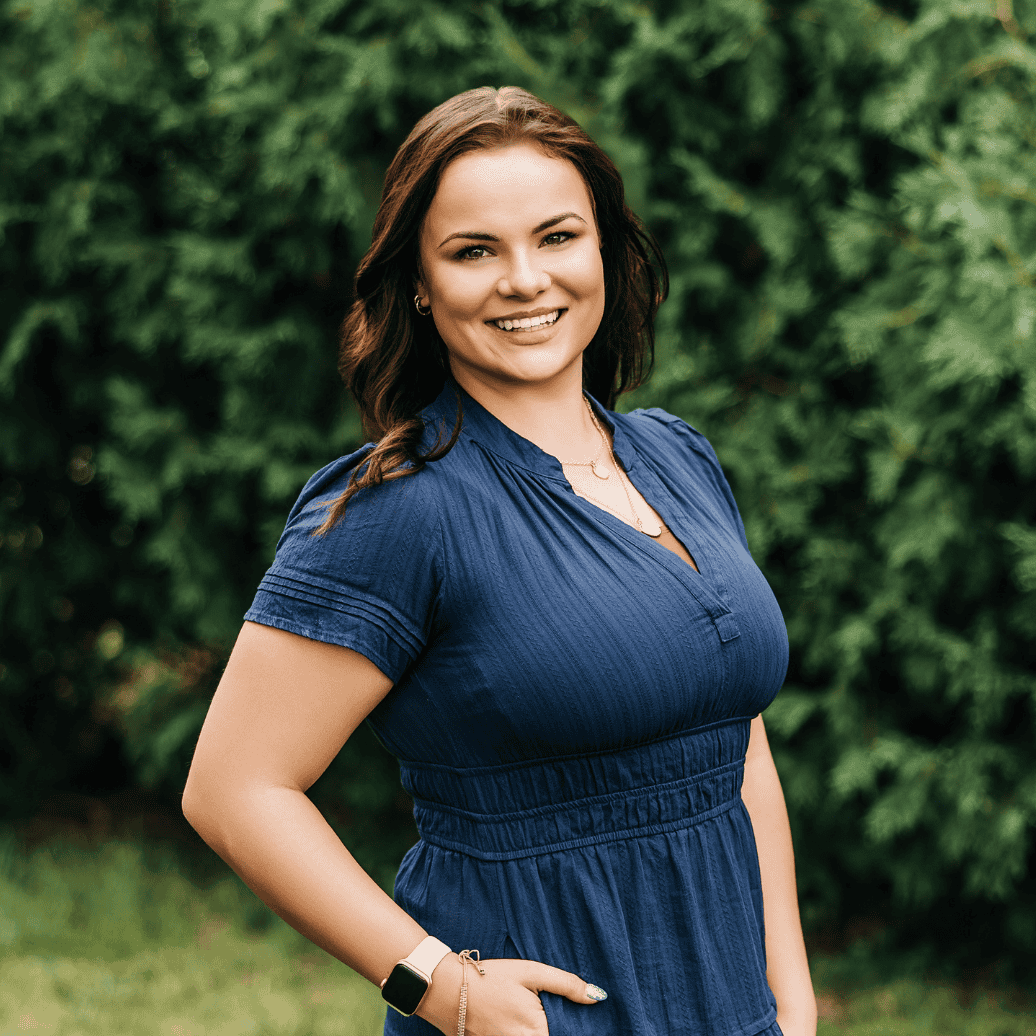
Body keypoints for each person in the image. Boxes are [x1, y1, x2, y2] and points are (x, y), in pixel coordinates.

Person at [182, 85, 817, 1036]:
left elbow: (737, 743)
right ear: (421, 285)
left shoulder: (677, 455)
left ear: (604, 248)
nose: (526, 279)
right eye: (475, 251)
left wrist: (791, 999)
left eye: (557, 237)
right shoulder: (400, 508)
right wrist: (442, 988)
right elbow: (233, 789)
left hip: (732, 1009)